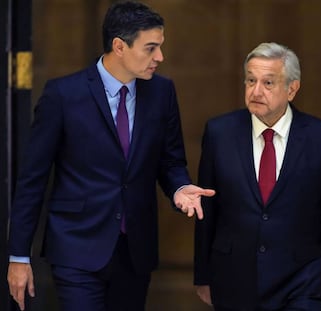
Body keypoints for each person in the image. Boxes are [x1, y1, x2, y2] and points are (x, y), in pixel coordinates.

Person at [7, 1, 215, 310]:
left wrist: (181, 188)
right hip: (76, 247)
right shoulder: (63, 95)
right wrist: (18, 256)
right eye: (150, 48)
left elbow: (170, 161)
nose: (160, 57)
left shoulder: (162, 92)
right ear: (119, 46)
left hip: (134, 251)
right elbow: (32, 179)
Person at [194, 42, 321, 311]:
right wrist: (202, 274)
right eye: (251, 80)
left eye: (268, 83)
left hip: (302, 279)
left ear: (292, 89)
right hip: (233, 277)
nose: (256, 91)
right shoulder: (220, 133)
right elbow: (206, 207)